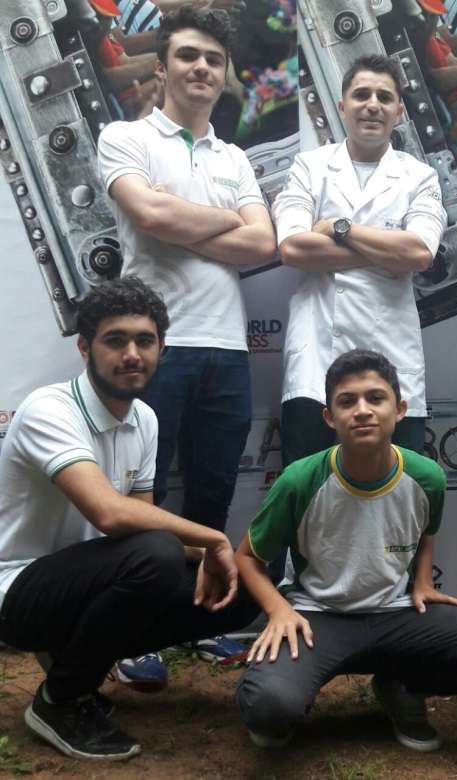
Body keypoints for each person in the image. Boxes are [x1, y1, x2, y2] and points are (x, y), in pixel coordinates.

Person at [0, 278, 258, 761]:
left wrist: (224, 556)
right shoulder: (47, 409)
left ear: (162, 348)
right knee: (156, 555)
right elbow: (110, 513)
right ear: (84, 348)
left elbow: (146, 519)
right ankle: (59, 701)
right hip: (17, 592)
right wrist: (212, 539)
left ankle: (75, 658)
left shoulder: (145, 418)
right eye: (115, 340)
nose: (132, 354)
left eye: (145, 340)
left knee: (243, 583)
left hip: (87, 582)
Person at [97, 6, 276, 683]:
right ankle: (127, 633)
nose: (202, 68)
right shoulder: (126, 137)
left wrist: (182, 220)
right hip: (154, 348)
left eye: (213, 60)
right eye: (188, 56)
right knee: (140, 495)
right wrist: (223, 221)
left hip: (227, 348)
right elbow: (147, 214)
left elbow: (263, 243)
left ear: (225, 75)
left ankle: (199, 622)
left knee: (211, 493)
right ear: (162, 66)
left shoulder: (235, 157)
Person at [235, 349, 457, 751]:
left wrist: (422, 581)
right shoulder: (299, 481)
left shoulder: (427, 476)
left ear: (400, 410)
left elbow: (425, 532)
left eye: (375, 398)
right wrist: (279, 610)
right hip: (316, 616)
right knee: (270, 709)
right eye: (347, 401)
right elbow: (247, 558)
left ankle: (403, 687)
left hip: (398, 615)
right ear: (329, 417)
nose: (362, 410)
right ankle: (285, 689)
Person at [273, 55, 446, 465]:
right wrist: (387, 253)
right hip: (316, 359)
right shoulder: (309, 167)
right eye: (361, 95)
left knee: (398, 489)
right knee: (308, 487)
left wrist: (339, 228)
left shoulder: (419, 177)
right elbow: (293, 248)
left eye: (384, 97)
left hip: (391, 357)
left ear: (399, 111)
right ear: (341, 106)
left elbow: (419, 253)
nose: (372, 105)